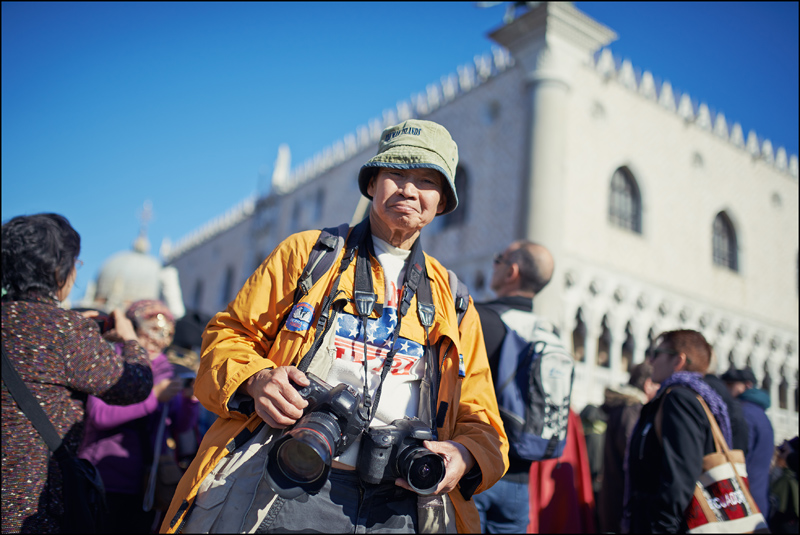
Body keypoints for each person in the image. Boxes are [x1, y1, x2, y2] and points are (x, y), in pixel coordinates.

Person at [161, 119, 508, 534]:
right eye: (396, 174)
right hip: (293, 479)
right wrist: (256, 381)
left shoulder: (453, 297)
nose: (409, 190)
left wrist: (464, 453)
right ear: (371, 184)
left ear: (443, 201)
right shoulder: (309, 255)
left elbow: (482, 417)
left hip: (404, 503)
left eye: (426, 181)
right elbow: (227, 337)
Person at [1, 213, 154, 533]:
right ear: (60, 271)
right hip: (30, 509)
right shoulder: (64, 330)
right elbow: (135, 386)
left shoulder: (62, 328)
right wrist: (130, 340)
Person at [79, 300, 199, 534]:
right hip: (102, 478)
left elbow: (180, 425)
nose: (157, 341)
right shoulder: (110, 359)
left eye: (165, 334)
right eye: (151, 330)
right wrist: (153, 396)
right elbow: (100, 416)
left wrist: (190, 400)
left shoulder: (168, 369)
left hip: (147, 485)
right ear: (132, 327)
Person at [472, 240, 555, 533]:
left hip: (476, 469)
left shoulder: (479, 318)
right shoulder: (548, 332)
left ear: (512, 272)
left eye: (499, 259)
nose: (493, 264)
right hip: (521, 479)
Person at [625, 329, 734, 533]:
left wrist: (663, 525)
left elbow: (679, 475)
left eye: (657, 353)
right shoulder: (677, 397)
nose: (650, 360)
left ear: (678, 360)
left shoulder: (679, 400)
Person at [597, 361, 659, 534]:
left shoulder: (626, 408)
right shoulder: (632, 410)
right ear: (648, 384)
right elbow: (632, 455)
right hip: (621, 501)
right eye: (657, 385)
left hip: (615, 498)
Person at [721, 366, 775, 518]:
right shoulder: (761, 414)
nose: (727, 389)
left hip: (744, 500)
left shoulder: (745, 413)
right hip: (758, 499)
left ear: (747, 385)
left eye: (731, 385)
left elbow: (739, 455)